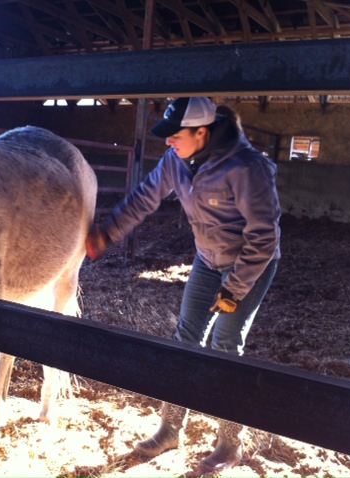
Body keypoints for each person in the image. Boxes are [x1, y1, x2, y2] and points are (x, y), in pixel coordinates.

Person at [86, 97, 280, 472]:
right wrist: (107, 233)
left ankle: (230, 445)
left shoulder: (248, 168)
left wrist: (234, 289)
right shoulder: (175, 160)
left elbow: (264, 238)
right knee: (185, 340)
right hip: (208, 259)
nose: (168, 142)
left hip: (251, 264)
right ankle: (170, 430)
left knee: (225, 345)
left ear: (201, 132)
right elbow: (145, 197)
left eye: (175, 135)